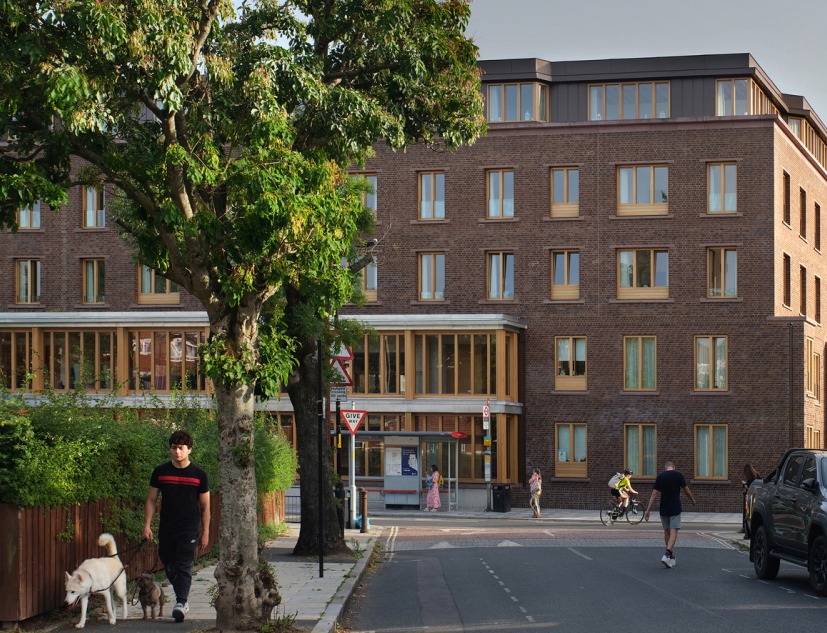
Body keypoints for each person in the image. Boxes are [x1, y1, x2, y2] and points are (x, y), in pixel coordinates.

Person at [143, 430, 210, 622]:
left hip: (189, 526)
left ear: (189, 449)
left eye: (181, 448)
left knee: (184, 563)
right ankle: (181, 590)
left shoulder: (199, 474)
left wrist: (205, 532)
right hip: (167, 526)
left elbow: (205, 506)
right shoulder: (160, 472)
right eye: (174, 448)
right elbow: (151, 500)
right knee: (167, 559)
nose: (177, 452)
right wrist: (147, 525)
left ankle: (181, 602)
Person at [644, 460, 696, 568]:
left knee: (666, 531)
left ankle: (670, 557)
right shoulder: (678, 475)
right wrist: (692, 500)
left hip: (663, 507)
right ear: (674, 467)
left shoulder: (660, 476)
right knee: (674, 531)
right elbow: (686, 490)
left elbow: (654, 493)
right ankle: (667, 553)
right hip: (675, 507)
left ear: (665, 467)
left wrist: (648, 510)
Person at [742, 463, 761, 537]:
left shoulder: (749, 479)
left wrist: (746, 486)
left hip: (750, 499)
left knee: (748, 516)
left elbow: (750, 489)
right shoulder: (757, 475)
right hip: (756, 498)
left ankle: (747, 533)